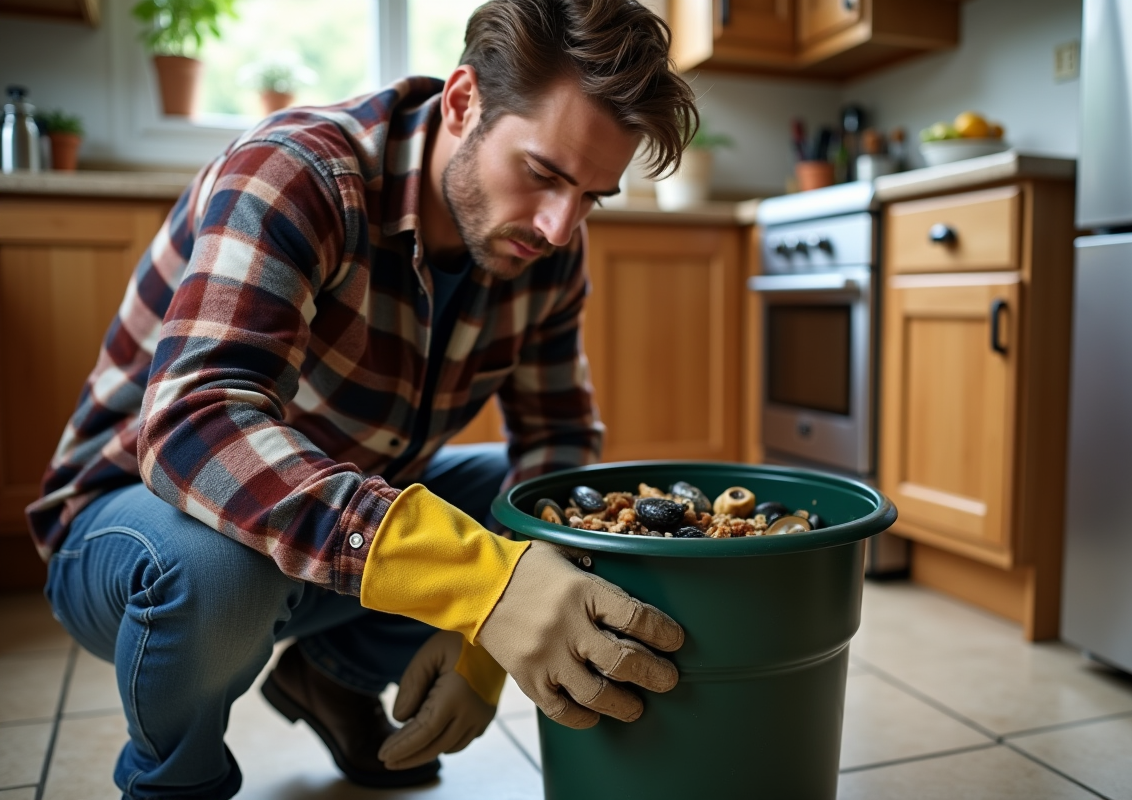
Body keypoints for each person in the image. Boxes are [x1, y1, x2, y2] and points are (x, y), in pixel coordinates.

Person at [25, 1, 699, 797]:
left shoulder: (550, 244)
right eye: (544, 174)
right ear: (462, 102)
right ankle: (176, 782)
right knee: (221, 568)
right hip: (134, 530)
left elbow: (558, 437)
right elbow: (195, 429)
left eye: (592, 196)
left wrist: (489, 644)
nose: (560, 226)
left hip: (328, 532)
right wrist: (485, 584)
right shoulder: (299, 171)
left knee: (539, 500)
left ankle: (330, 678)